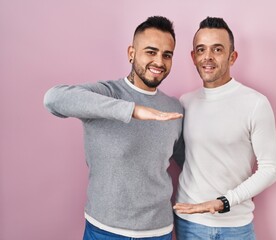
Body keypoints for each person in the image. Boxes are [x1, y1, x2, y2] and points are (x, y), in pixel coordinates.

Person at [44, 16, 185, 240]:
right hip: (104, 230)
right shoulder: (105, 94)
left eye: (167, 55)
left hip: (158, 231)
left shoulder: (174, 108)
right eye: (151, 51)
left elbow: (187, 161)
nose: (159, 61)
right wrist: (131, 110)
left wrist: (229, 194)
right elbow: (53, 99)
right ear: (131, 52)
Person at [173, 17, 276, 240]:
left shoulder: (255, 103)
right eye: (201, 49)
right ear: (193, 57)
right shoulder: (184, 102)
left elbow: (270, 168)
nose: (208, 57)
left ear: (233, 56)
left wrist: (224, 202)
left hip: (236, 225)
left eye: (218, 49)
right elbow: (183, 155)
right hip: (190, 223)